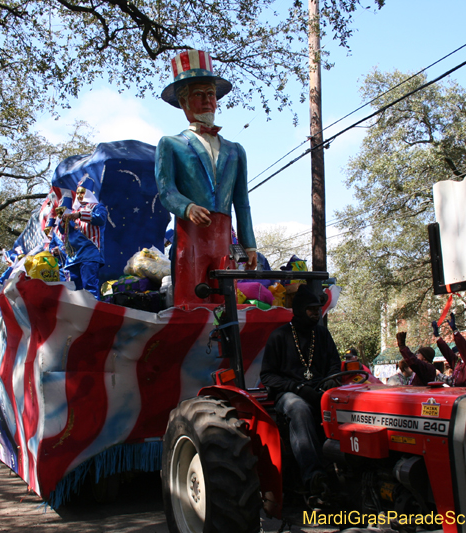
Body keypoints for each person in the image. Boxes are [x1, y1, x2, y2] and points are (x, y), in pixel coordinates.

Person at [155, 49, 257, 306]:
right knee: (190, 300)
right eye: (199, 95)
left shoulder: (236, 150)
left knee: (226, 301)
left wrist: (249, 244)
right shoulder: (170, 144)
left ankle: (226, 346)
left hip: (224, 240)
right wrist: (187, 207)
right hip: (190, 239)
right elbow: (166, 190)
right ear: (184, 101)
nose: (208, 101)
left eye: (211, 94)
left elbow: (241, 201)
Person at [260, 285, 339, 501]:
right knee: (299, 408)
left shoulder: (322, 334)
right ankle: (313, 477)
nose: (316, 313)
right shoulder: (280, 336)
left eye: (318, 309)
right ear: (299, 310)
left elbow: (334, 364)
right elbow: (267, 376)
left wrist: (329, 382)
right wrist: (297, 388)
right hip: (288, 394)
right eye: (311, 309)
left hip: (319, 390)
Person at [432, 314, 466, 387]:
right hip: (458, 395)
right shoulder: (458, 364)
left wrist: (455, 331)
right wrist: (438, 337)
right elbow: (448, 353)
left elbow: (464, 349)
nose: (460, 352)